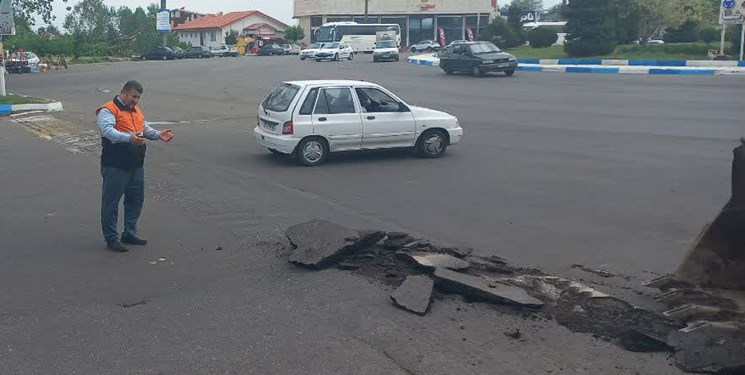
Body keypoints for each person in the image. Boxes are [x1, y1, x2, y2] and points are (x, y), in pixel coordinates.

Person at [96, 80, 174, 252]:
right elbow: (108, 132)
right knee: (111, 203)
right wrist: (128, 138)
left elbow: (144, 129)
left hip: (136, 165)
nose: (135, 101)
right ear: (123, 92)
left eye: (138, 97)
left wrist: (159, 134)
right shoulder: (108, 110)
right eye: (133, 96)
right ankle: (111, 238)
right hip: (115, 165)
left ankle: (129, 233)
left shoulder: (136, 111)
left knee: (135, 201)